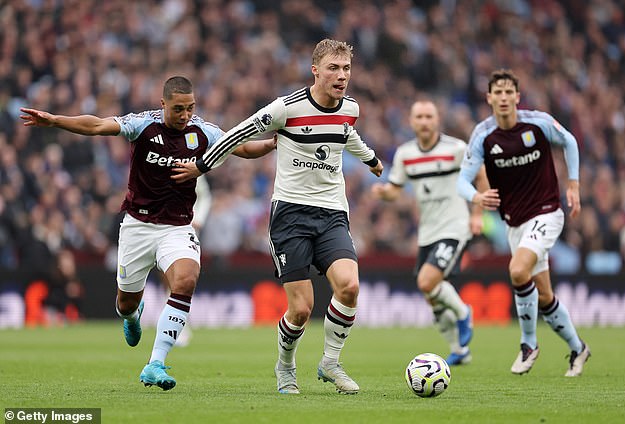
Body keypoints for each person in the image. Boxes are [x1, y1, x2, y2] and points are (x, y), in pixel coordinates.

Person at [20, 76, 276, 390]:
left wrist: (274, 143)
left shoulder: (203, 131)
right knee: (126, 303)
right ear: (163, 104)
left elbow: (243, 148)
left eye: (190, 108)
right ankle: (132, 316)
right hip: (137, 227)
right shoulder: (143, 125)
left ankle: (156, 363)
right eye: (179, 109)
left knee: (185, 280)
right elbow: (98, 126)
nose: (185, 115)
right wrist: (56, 120)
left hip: (178, 228)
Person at [172, 39, 384, 394]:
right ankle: (285, 366)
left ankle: (330, 363)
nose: (341, 75)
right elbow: (238, 133)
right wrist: (201, 166)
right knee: (301, 309)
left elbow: (348, 134)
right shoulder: (286, 108)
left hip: (332, 211)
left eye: (346, 68)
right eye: (333, 68)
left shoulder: (351, 108)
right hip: (290, 215)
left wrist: (371, 159)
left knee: (349, 286)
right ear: (315, 70)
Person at [457, 69, 591, 376]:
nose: (503, 98)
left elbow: (569, 141)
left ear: (517, 97)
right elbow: (463, 182)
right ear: (489, 97)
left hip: (546, 212)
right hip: (514, 223)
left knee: (517, 270)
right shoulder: (483, 135)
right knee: (544, 295)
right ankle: (578, 348)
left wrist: (573, 184)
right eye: (497, 92)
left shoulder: (538, 123)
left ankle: (528, 344)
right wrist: (477, 198)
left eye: (509, 92)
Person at [372, 99, 483, 366]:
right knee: (432, 297)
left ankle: (463, 312)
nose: (424, 121)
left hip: (455, 226)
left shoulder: (456, 148)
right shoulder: (405, 154)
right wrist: (385, 193)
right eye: (419, 117)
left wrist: (478, 214)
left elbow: (481, 175)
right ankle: (459, 350)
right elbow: (395, 189)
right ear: (411, 122)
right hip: (427, 231)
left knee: (426, 281)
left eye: (428, 116)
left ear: (437, 120)